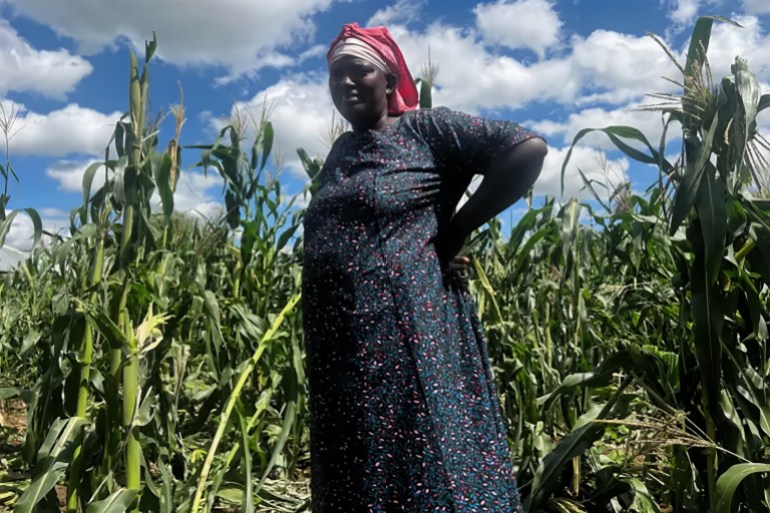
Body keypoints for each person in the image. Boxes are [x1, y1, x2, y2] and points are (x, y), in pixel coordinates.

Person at [302, 22, 547, 513]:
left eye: (360, 71)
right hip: (341, 345)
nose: (346, 83)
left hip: (407, 331)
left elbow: (526, 149)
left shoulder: (424, 129)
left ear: (390, 81)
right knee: (358, 460)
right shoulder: (340, 153)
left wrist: (455, 229)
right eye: (336, 76)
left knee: (425, 452)